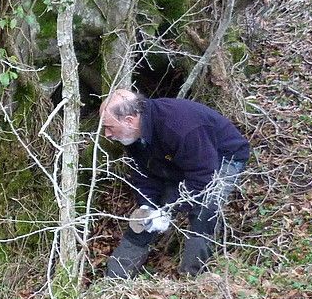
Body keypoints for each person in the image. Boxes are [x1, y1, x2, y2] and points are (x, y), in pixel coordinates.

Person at [100, 89, 250, 278]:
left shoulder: (179, 126)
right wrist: (148, 206)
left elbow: (204, 177)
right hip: (180, 162)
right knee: (144, 218)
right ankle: (114, 278)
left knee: (205, 207)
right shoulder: (134, 135)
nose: (106, 134)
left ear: (129, 120)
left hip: (222, 158)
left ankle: (191, 278)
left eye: (109, 127)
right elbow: (144, 174)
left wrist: (169, 209)